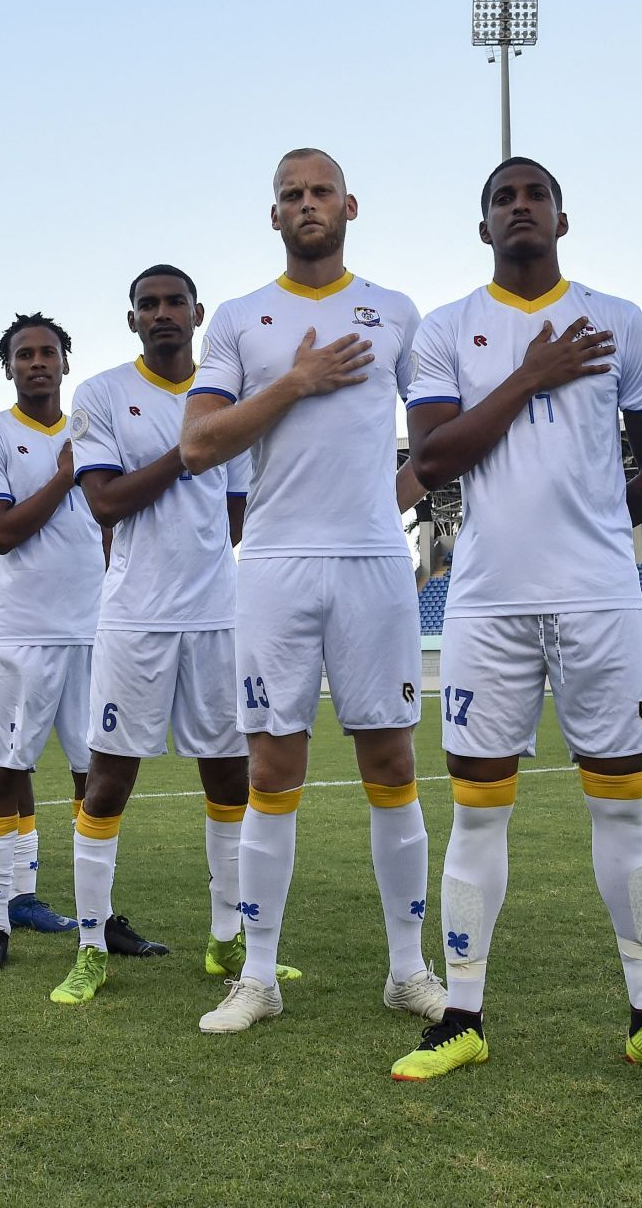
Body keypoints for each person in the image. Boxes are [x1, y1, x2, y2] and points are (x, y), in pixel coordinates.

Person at [389, 157, 642, 1082]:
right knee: (478, 814)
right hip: (488, 599)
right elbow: (437, 458)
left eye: (535, 196)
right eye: (503, 198)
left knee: (623, 808)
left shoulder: (620, 319)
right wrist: (531, 374)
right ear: (483, 225)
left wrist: (596, 527)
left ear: (563, 219)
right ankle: (461, 1015)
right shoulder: (449, 330)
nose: (520, 207)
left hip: (600, 597)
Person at [181, 147, 443, 1033]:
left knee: (393, 764)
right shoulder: (241, 320)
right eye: (290, 194)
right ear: (273, 214)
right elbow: (199, 444)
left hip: (373, 561)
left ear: (350, 204)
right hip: (276, 564)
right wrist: (295, 381)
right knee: (271, 767)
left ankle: (408, 969)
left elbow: (435, 444)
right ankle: (257, 976)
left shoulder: (399, 312)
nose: (306, 204)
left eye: (320, 191)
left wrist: (385, 501)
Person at [46, 266, 270, 1003]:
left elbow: (234, 511)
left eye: (176, 301)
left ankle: (224, 939)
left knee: (229, 779)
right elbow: (104, 502)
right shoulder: (103, 394)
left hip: (216, 615)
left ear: (199, 312)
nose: (164, 312)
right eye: (150, 303)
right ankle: (89, 947)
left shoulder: (223, 395)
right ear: (132, 319)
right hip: (134, 617)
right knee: (109, 780)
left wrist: (202, 461)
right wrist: (188, 449)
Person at [0, 314, 99, 975]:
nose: (37, 362)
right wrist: (64, 476)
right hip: (21, 632)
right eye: (24, 354)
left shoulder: (93, 426)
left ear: (66, 363)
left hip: (94, 628)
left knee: (96, 774)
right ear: (10, 367)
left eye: (48, 352)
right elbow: (2, 532)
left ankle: (96, 924)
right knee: (6, 771)